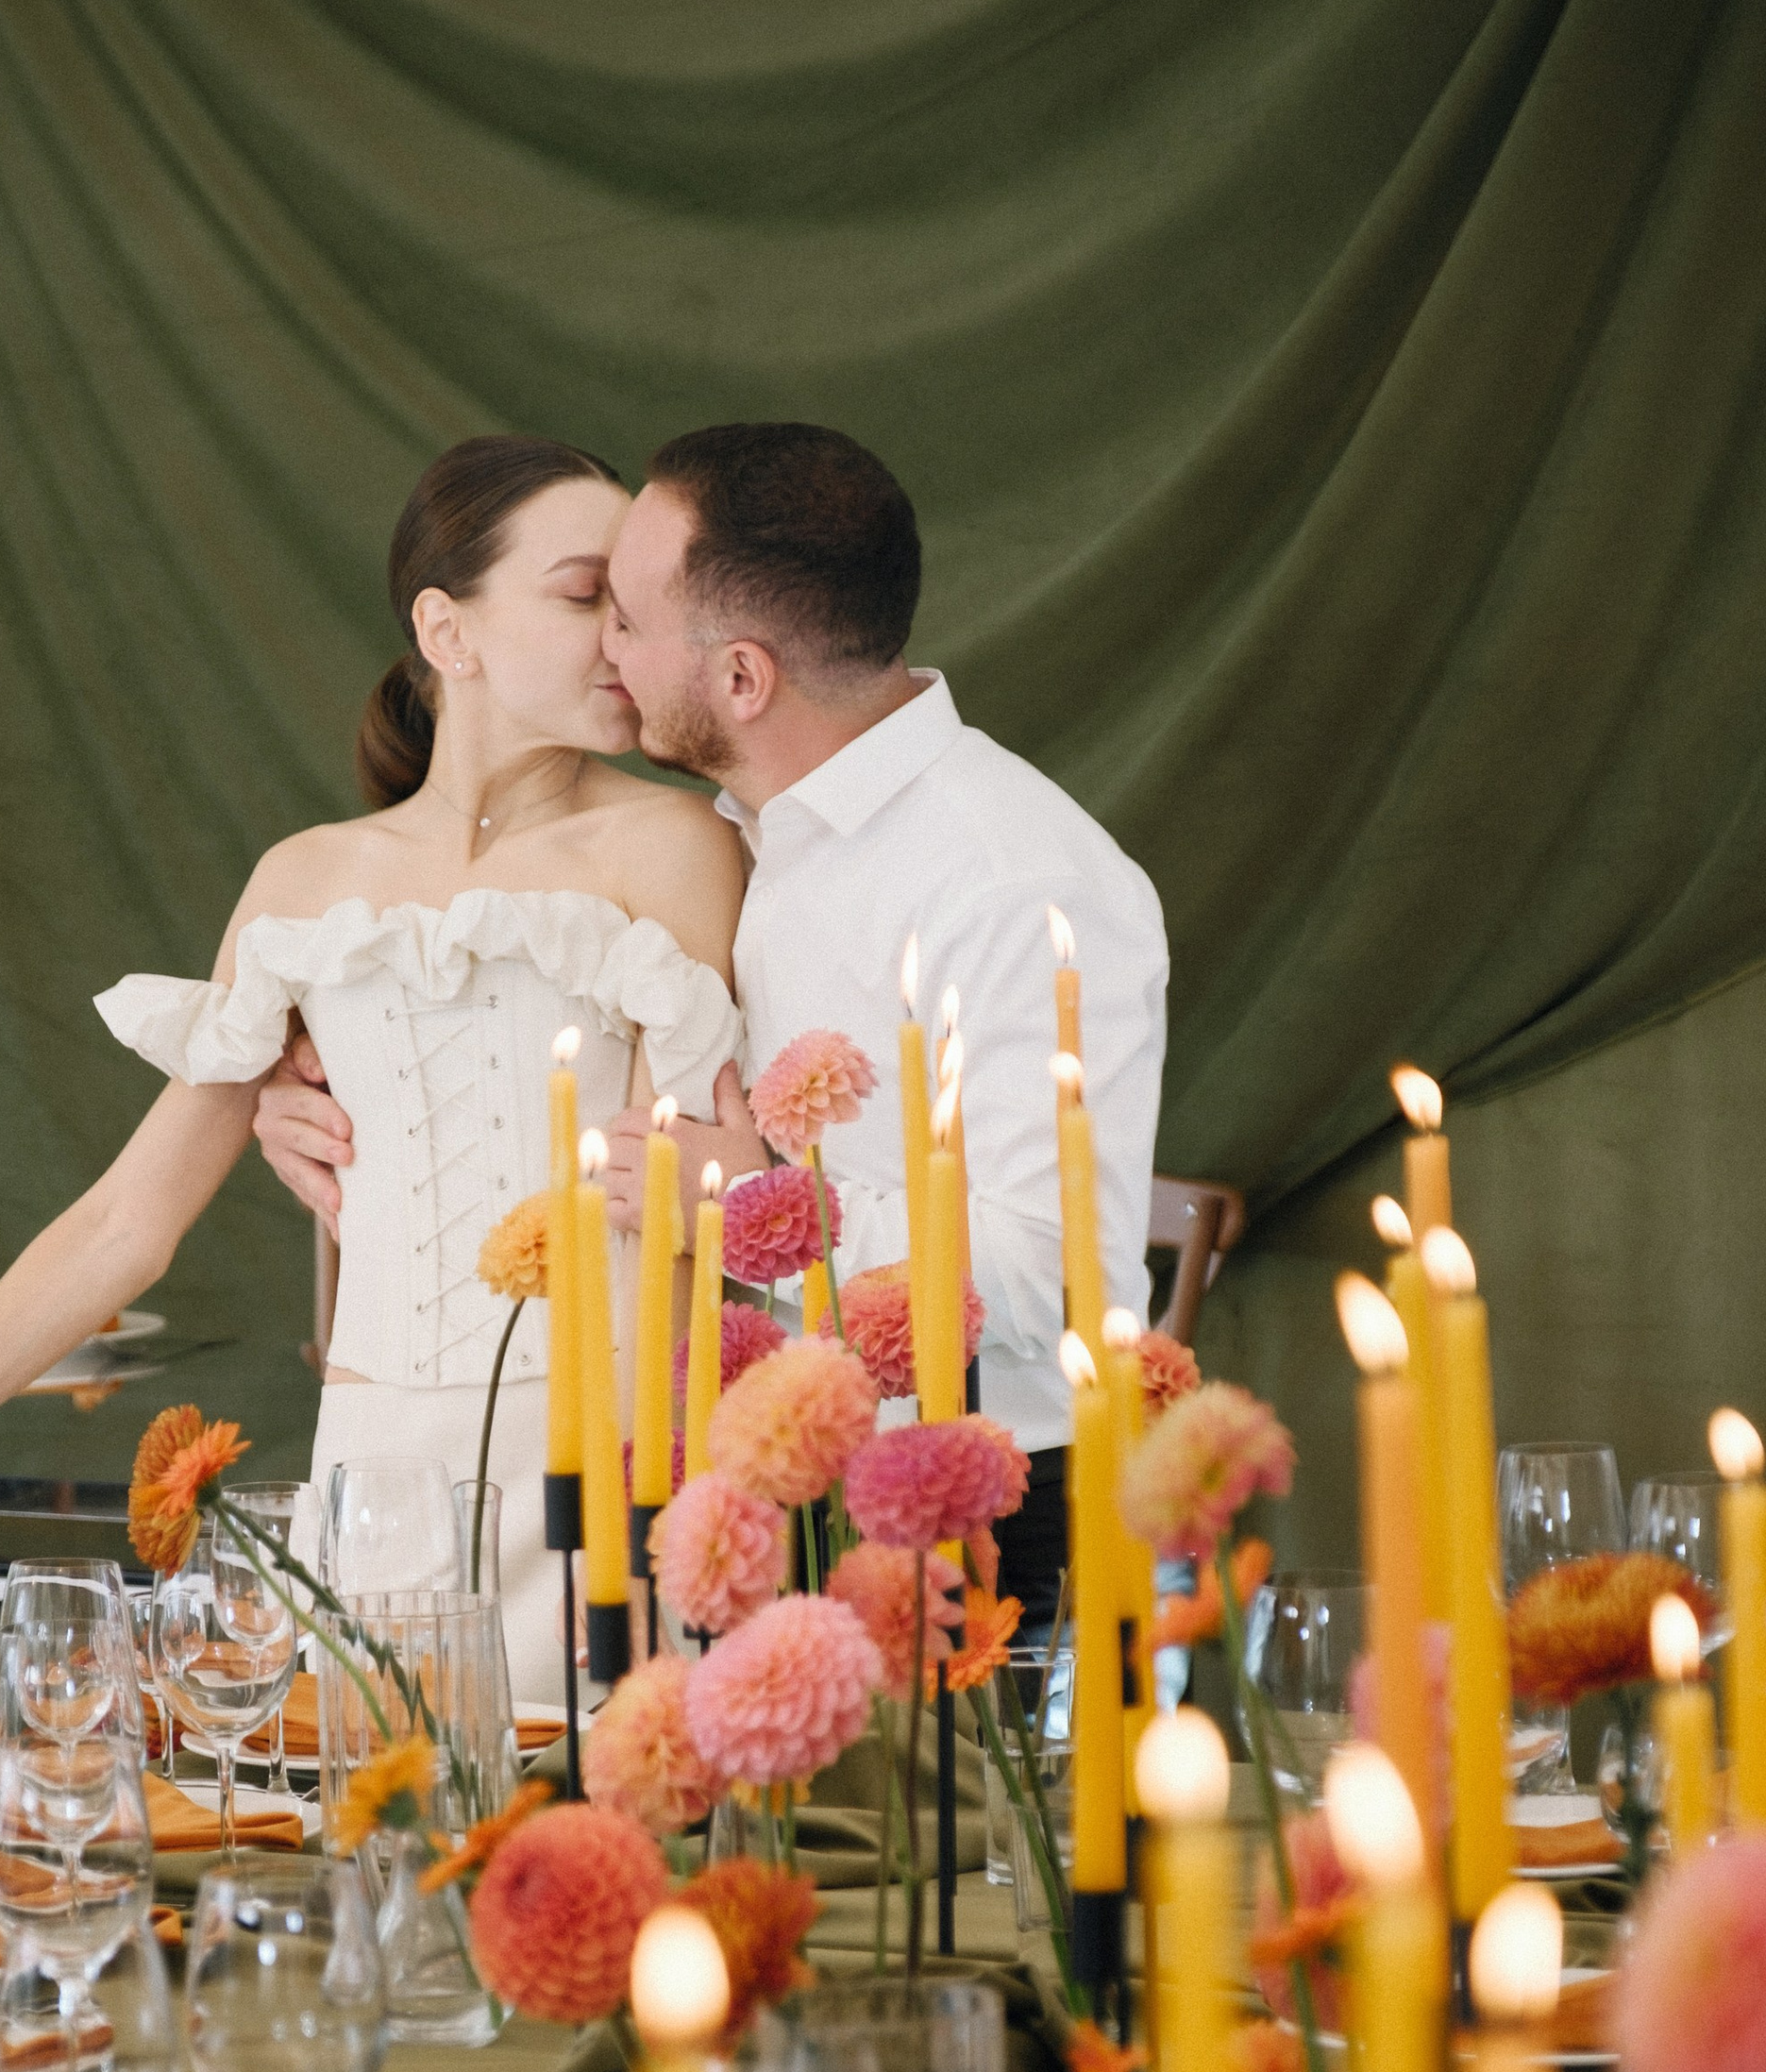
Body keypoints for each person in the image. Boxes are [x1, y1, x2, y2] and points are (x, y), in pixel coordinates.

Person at [0, 436, 743, 1694]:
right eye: (582, 595)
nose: (625, 635)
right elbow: (124, 1224)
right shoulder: (304, 887)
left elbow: (719, 1205)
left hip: (610, 1488)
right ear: (447, 631)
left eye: (634, 602)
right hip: (374, 1495)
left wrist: (691, 1531)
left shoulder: (677, 849)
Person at [257, 424, 1166, 1639]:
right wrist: (310, 1097)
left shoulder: (1016, 884)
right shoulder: (740, 833)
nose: (604, 648)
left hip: (967, 1523)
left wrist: (757, 1205)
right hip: (749, 1486)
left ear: (741, 678)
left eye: (622, 614)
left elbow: (1055, 1282)